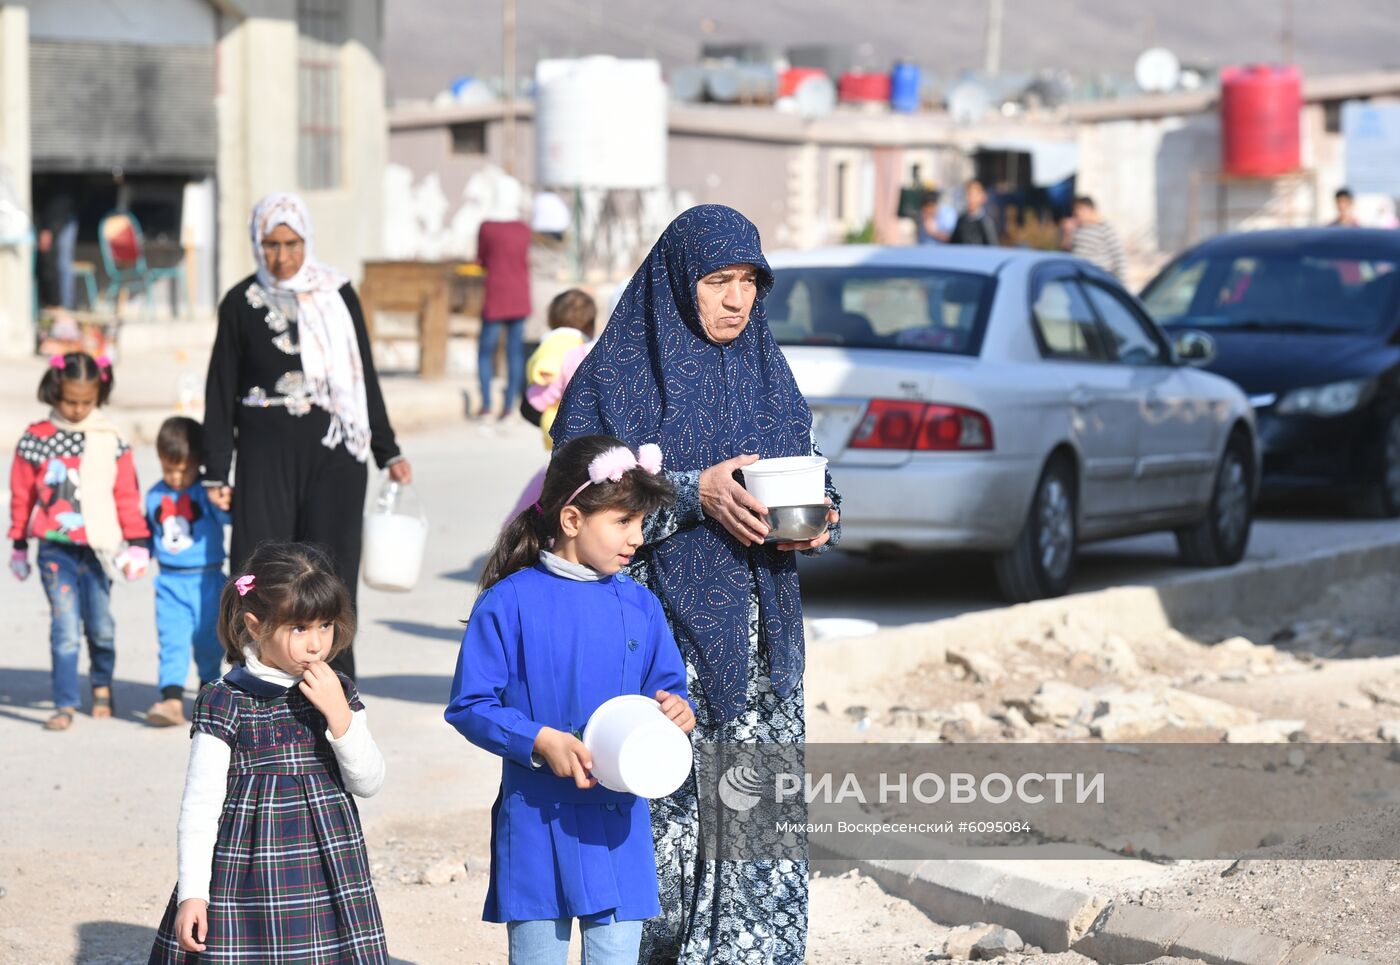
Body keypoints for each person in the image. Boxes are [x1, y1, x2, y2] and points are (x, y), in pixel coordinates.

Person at [553, 204, 841, 964]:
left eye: (750, 282)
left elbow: (809, 465)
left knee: (757, 843)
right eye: (719, 280)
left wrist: (822, 515)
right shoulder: (615, 377)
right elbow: (576, 499)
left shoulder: (767, 368)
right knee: (661, 841)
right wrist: (690, 491)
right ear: (679, 281)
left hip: (761, 646)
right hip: (654, 646)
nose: (738, 299)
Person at [446, 435, 695, 965]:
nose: (636, 538)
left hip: (619, 822)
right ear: (572, 519)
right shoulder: (508, 601)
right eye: (622, 522)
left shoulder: (641, 604)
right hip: (536, 817)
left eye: (640, 523)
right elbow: (470, 705)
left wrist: (677, 710)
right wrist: (537, 739)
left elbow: (669, 687)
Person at [204, 192, 412, 680]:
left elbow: (362, 377)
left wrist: (388, 450)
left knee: (329, 568)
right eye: (270, 244)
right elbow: (219, 389)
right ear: (258, 244)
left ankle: (336, 682)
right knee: (256, 564)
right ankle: (249, 674)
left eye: (291, 243)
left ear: (307, 240)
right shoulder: (240, 302)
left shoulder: (338, 293)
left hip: (334, 454)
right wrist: (216, 467)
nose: (282, 256)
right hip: (263, 454)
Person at [148, 541, 388, 963]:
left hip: (327, 878)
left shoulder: (337, 690)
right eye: (299, 629)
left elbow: (368, 782)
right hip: (244, 883)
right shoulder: (225, 700)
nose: (317, 645)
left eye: (326, 625)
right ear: (256, 626)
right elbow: (200, 806)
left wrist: (339, 715)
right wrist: (193, 895)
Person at [9, 352, 150, 731]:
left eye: (86, 402)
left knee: (101, 625)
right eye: (70, 400)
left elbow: (125, 495)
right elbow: (21, 495)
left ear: (98, 395)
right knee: (65, 626)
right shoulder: (36, 440)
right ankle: (65, 702)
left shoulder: (111, 441)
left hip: (100, 550)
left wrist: (138, 542)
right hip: (55, 551)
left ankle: (102, 683)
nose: (77, 409)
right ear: (54, 391)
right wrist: (18, 543)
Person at [144, 417, 230, 727]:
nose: (177, 477)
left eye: (185, 469)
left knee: (209, 642)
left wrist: (223, 500)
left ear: (199, 463)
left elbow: (228, 516)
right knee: (172, 640)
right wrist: (137, 552)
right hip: (169, 581)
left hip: (207, 578)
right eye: (169, 469)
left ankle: (209, 696)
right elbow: (147, 533)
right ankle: (171, 700)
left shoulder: (205, 493)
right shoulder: (154, 495)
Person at [476, 217, 533, 419]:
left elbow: (481, 260)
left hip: (496, 295)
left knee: (485, 352)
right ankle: (509, 407)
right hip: (519, 296)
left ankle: (486, 405)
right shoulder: (523, 228)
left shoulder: (487, 228)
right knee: (514, 353)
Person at [1069, 196, 1128, 279]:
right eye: (1075, 209)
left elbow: (1119, 257)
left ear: (1091, 210)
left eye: (1080, 209)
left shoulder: (1105, 228)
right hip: (1080, 277)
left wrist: (1121, 283)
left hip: (1099, 278)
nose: (1077, 212)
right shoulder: (1078, 229)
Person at [950, 179, 999, 246]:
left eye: (972, 195)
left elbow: (992, 247)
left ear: (983, 197)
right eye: (967, 194)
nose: (969, 198)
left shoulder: (986, 222)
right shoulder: (961, 220)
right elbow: (953, 244)